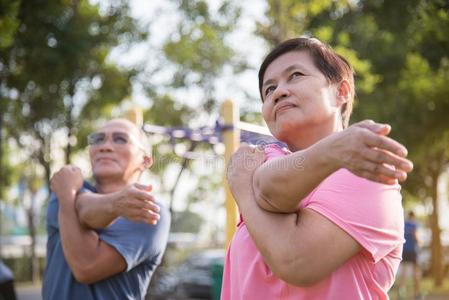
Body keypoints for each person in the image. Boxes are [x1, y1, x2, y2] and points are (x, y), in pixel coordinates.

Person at [223, 37, 414, 299]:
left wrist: (243, 191)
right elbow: (268, 188)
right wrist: (332, 151)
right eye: (269, 89)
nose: (279, 92)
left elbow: (295, 261)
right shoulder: (264, 159)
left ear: (341, 92)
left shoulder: (368, 174)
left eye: (296, 75)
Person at [42, 118, 170, 300]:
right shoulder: (64, 188)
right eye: (98, 139)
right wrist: (116, 204)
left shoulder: (148, 210)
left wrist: (68, 197)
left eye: (120, 139)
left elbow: (86, 267)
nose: (105, 146)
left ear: (145, 160)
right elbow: (86, 208)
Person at [399, 211, 422, 299]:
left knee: (403, 272)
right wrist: (420, 242)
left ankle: (401, 292)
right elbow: (415, 236)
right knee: (416, 272)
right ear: (414, 216)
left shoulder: (403, 224)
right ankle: (417, 293)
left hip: (404, 251)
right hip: (412, 251)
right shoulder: (414, 225)